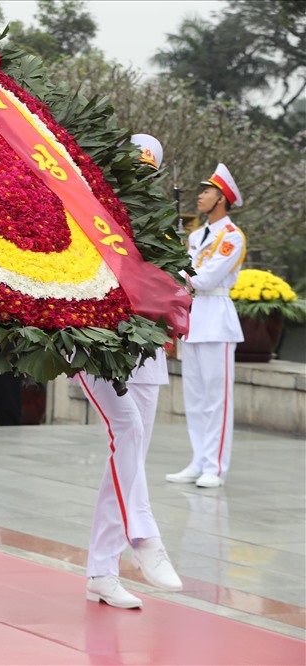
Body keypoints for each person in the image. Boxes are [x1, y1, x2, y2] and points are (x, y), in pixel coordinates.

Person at [77, 135, 183, 610]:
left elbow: (179, 276)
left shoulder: (162, 223)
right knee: (128, 430)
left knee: (129, 455)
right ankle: (144, 535)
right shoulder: (87, 201)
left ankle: (102, 570)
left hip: (146, 347)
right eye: (132, 166)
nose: (138, 175)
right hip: (95, 341)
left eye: (147, 169)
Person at [167, 163, 246, 489]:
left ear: (222, 199)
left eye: (207, 192)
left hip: (216, 314)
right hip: (195, 317)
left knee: (217, 398)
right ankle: (199, 460)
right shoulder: (197, 235)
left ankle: (215, 465)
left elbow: (207, 278)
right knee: (196, 397)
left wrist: (178, 267)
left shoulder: (231, 238)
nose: (200, 196)